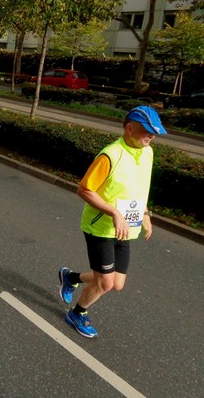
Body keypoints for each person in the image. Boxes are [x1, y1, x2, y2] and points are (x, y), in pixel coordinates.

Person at [58, 106, 167, 338]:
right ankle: (77, 313)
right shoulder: (110, 155)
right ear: (129, 128)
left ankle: (70, 277)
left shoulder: (147, 152)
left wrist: (146, 214)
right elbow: (84, 190)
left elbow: (140, 188)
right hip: (100, 228)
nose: (151, 136)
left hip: (125, 228)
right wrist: (114, 213)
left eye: (154, 132)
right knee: (105, 284)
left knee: (117, 283)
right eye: (147, 131)